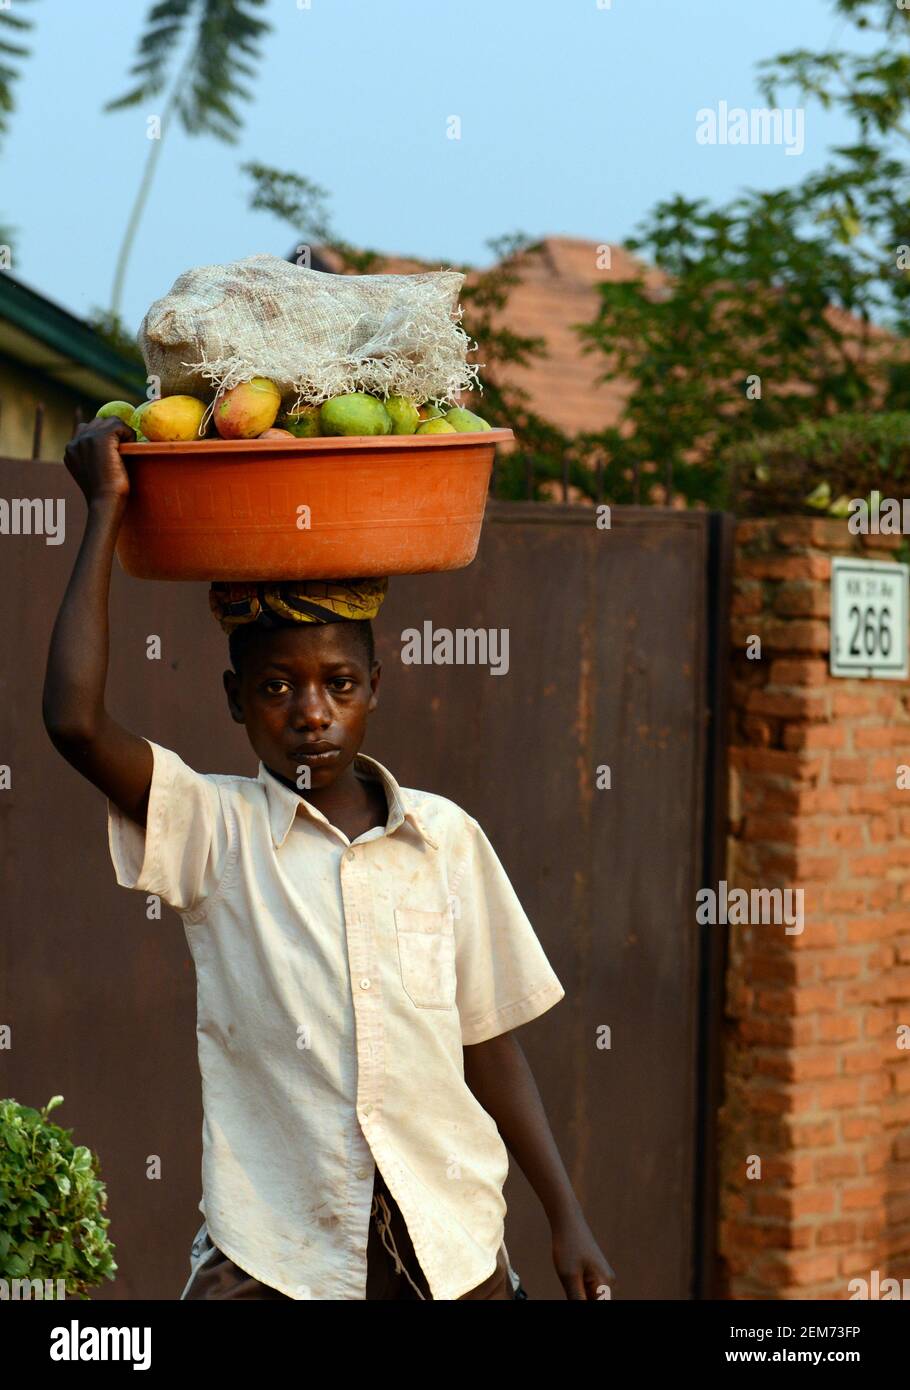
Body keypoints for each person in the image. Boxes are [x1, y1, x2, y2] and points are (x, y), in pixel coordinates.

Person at [42, 415, 616, 1302]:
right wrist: (106, 509)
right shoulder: (215, 831)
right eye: (278, 687)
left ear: (373, 690)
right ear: (236, 700)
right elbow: (74, 723)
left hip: (451, 1242)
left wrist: (565, 1212)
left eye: (339, 684)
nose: (312, 712)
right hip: (277, 1248)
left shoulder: (445, 840)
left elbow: (488, 1043)